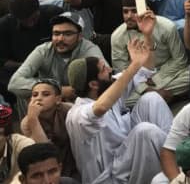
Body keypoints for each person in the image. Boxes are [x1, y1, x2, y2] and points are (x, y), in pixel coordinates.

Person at [65, 15, 173, 184]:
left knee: (151, 98)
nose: (109, 69)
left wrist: (148, 35)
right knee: (145, 131)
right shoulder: (77, 114)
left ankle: (174, 154)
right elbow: (100, 108)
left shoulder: (108, 87)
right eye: (103, 69)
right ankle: (177, 165)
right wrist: (133, 65)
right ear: (93, 84)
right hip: (108, 177)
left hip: (126, 158)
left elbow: (146, 68)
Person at [9, 12, 105, 106]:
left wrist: (77, 93)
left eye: (67, 34)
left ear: (80, 36)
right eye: (56, 33)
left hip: (78, 104)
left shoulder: (89, 50)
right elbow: (14, 83)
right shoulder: (43, 50)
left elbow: (105, 81)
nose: (60, 39)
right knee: (23, 94)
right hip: (49, 102)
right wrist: (57, 90)